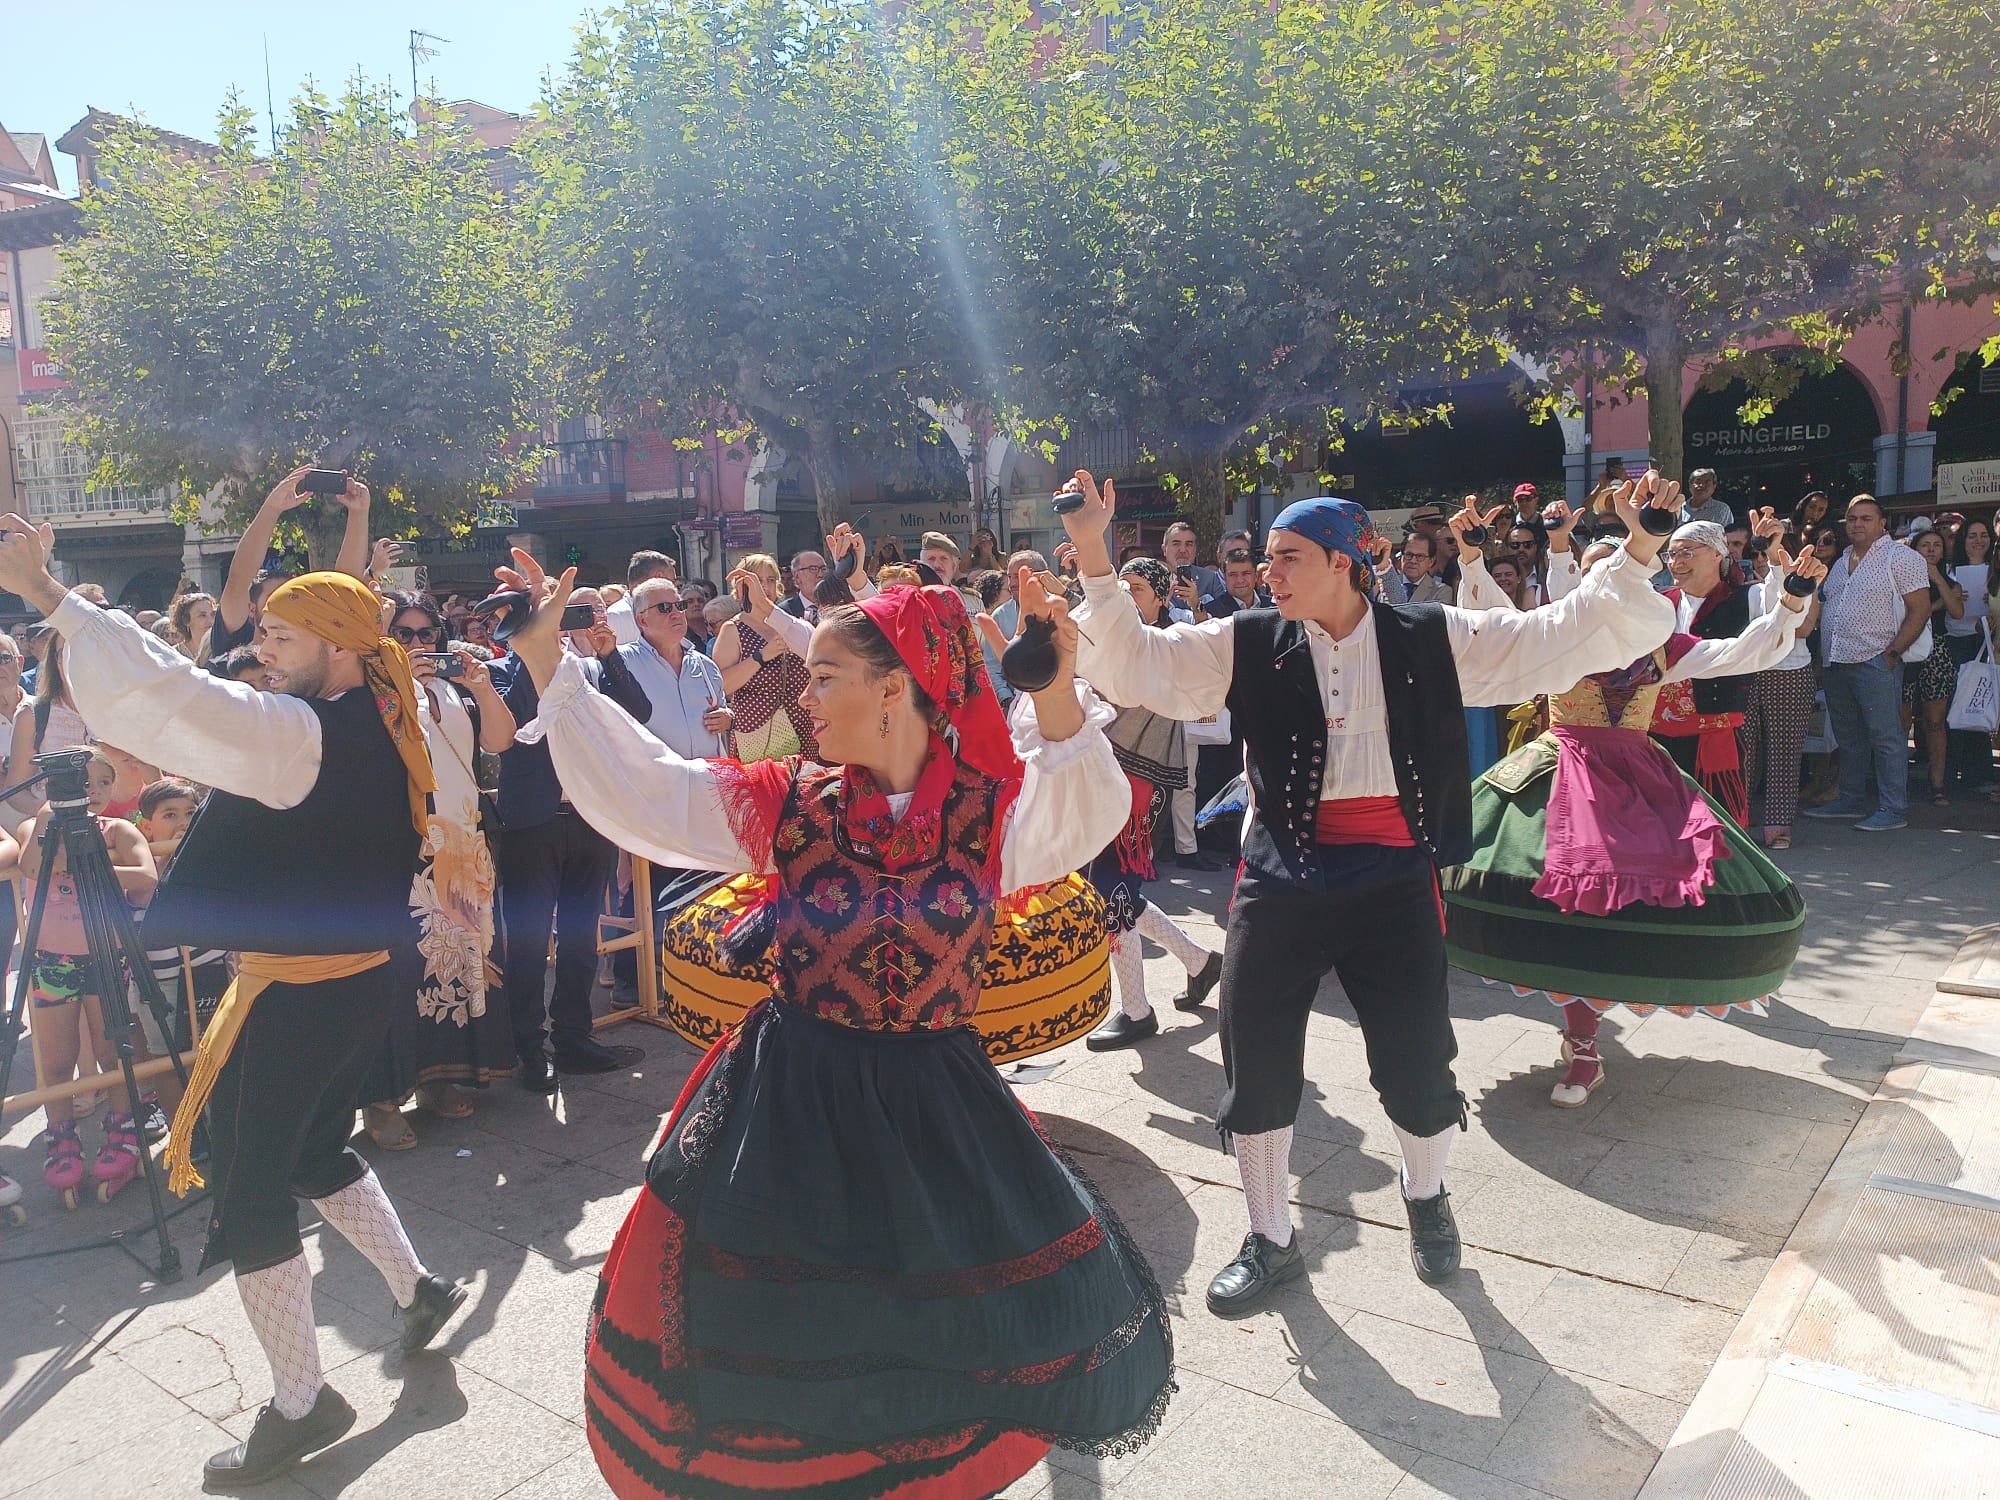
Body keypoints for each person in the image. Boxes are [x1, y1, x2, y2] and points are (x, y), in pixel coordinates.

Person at [496, 547, 1175, 1498]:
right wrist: (548, 667)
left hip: (937, 1099)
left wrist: (1057, 686)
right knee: (789, 1318)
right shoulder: (789, 805)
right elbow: (652, 787)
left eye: (824, 677)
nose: (804, 699)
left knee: (923, 1318)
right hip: (793, 1097)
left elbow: (1088, 805)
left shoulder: (991, 814)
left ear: (895, 690)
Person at [1062, 468, 1680, 1304]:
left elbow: (1555, 634)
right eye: (1268, 559)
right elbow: (1137, 667)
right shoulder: (1244, 639)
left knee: (1419, 1055)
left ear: (1347, 561)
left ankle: (1426, 1198)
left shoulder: (1432, 635)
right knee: (1256, 1051)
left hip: (1394, 875)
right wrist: (1095, 552)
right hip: (1284, 872)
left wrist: (1640, 545)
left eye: (1287, 558)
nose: (1266, 572)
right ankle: (1270, 1233)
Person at [0, 520, 468, 1486]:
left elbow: (181, 700)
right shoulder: (389, 711)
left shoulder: (305, 728)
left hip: (300, 994)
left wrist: (53, 596)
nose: (264, 647)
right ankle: (419, 1290)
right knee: (307, 1152)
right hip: (354, 980)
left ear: (339, 647)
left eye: (285, 637)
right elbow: (207, 702)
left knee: (252, 1190)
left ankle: (303, 1402)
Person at [1446, 530, 1823, 1104]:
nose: (1609, 587)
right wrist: (1473, 559)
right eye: (1599, 575)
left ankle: (1585, 1038)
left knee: (1623, 907)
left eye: (1621, 574)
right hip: (1560, 771)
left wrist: (1791, 598)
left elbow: (1745, 651)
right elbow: (1495, 633)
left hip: (1638, 777)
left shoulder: (1662, 650)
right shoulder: (1553, 640)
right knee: (1563, 903)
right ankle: (1584, 1041)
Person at [358, 593, 519, 1149]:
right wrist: (400, 682)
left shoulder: (454, 689)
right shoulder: (370, 693)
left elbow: (500, 740)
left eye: (427, 633)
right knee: (403, 975)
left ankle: (443, 1078)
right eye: (403, 634)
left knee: (460, 967)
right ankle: (381, 1101)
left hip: (465, 844)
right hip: (408, 850)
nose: (418, 644)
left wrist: (480, 687)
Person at [492, 587, 653, 1090]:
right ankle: (526, 1046)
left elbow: (637, 712)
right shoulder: (501, 670)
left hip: (587, 816)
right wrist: (528, 646)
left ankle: (574, 1035)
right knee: (529, 940)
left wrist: (607, 653)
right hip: (531, 824)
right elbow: (522, 717)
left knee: (582, 936)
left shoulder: (591, 668)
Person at [1078, 558, 1224, 1051]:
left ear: (1161, 597)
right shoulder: (1120, 639)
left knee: (1112, 890)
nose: (1126, 597)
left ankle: (1136, 1010)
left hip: (1139, 780)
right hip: (1109, 775)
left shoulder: (1166, 644)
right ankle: (1200, 962)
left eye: (1136, 589)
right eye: (1122, 588)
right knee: (1116, 888)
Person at [20, 749, 158, 1209]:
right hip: (52, 960)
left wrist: (94, 869)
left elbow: (146, 876)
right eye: (80, 784)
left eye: (101, 783)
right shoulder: (42, 824)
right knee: (56, 1059)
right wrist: (55, 831)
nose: (91, 793)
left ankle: (122, 1130)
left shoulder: (117, 829)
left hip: (105, 956)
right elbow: (29, 864)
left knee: (110, 1051)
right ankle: (61, 1136)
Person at [1807, 495, 1932, 832]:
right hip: (1837, 661)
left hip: (1876, 660)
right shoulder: (1841, 559)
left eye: (1865, 518)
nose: (1857, 524)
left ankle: (1894, 809)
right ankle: (1850, 800)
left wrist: (1892, 653)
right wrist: (1822, 661)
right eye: (1851, 519)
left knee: (1886, 736)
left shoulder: (1901, 557)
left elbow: (1920, 608)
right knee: (1848, 738)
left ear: (1881, 523)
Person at [1652, 520, 1759, 824]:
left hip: (1714, 737)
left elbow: (1792, 625)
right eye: (1670, 555)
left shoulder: (1747, 598)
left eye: (1686, 552)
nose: (1676, 563)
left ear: (1717, 554)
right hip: (1657, 738)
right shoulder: (1660, 603)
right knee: (1661, 829)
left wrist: (1778, 562)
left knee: (1718, 830)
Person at [211, 467, 371, 658]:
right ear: (251, 609)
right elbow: (238, 580)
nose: (286, 601)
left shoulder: (314, 651)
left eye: (293, 595)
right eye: (273, 597)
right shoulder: (236, 642)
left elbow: (345, 588)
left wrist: (358, 513)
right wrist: (272, 507)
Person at [713, 553, 819, 762]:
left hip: (804, 728)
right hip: (758, 732)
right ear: (742, 586)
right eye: (759, 581)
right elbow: (722, 685)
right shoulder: (733, 628)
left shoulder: (790, 624)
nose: (766, 588)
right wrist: (761, 656)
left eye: (771, 580)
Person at [618, 578, 732, 757]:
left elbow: (723, 709)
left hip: (707, 778)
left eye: (679, 605)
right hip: (656, 781)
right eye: (664, 608)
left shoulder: (705, 665)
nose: (675, 613)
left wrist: (727, 718)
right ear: (642, 620)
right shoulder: (623, 663)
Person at [1901, 528, 1963, 806]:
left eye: (1937, 545)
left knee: (1935, 722)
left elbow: (1957, 610)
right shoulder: (1900, 580)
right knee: (1901, 720)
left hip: (1936, 652)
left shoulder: (1950, 582)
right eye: (1924, 545)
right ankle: (1895, 782)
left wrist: (1936, 577)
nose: (1931, 550)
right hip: (1905, 649)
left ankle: (1938, 783)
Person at [1946, 517, 1994, 792]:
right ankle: (1953, 772)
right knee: (1956, 706)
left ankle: (1981, 774)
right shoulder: (1951, 570)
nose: (1978, 541)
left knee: (1979, 706)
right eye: (1972, 535)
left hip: (1984, 641)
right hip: (1956, 640)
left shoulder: (1995, 570)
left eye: (1983, 535)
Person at [605, 550, 677, 646]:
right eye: (671, 582)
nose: (674, 588)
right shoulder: (617, 615)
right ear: (659, 577)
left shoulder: (668, 611)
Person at [1161, 519, 1224, 601]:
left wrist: (1197, 604)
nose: (1183, 550)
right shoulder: (1154, 581)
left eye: (1189, 544)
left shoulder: (1210, 579)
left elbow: (1223, 611)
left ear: (1195, 549)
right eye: (1176, 544)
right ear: (1164, 550)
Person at [1387, 533, 1453, 606]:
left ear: (1431, 561)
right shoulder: (1386, 584)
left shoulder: (1441, 591)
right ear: (1402, 556)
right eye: (1409, 554)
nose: (1413, 561)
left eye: (1420, 556)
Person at [778, 548, 828, 621]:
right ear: (797, 576)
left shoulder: (837, 606)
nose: (820, 574)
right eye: (813, 569)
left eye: (823, 569)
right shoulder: (784, 612)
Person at [170, 591, 216, 666]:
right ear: (186, 621)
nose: (211, 621)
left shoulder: (221, 649)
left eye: (213, 614)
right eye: (202, 615)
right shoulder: (174, 654)